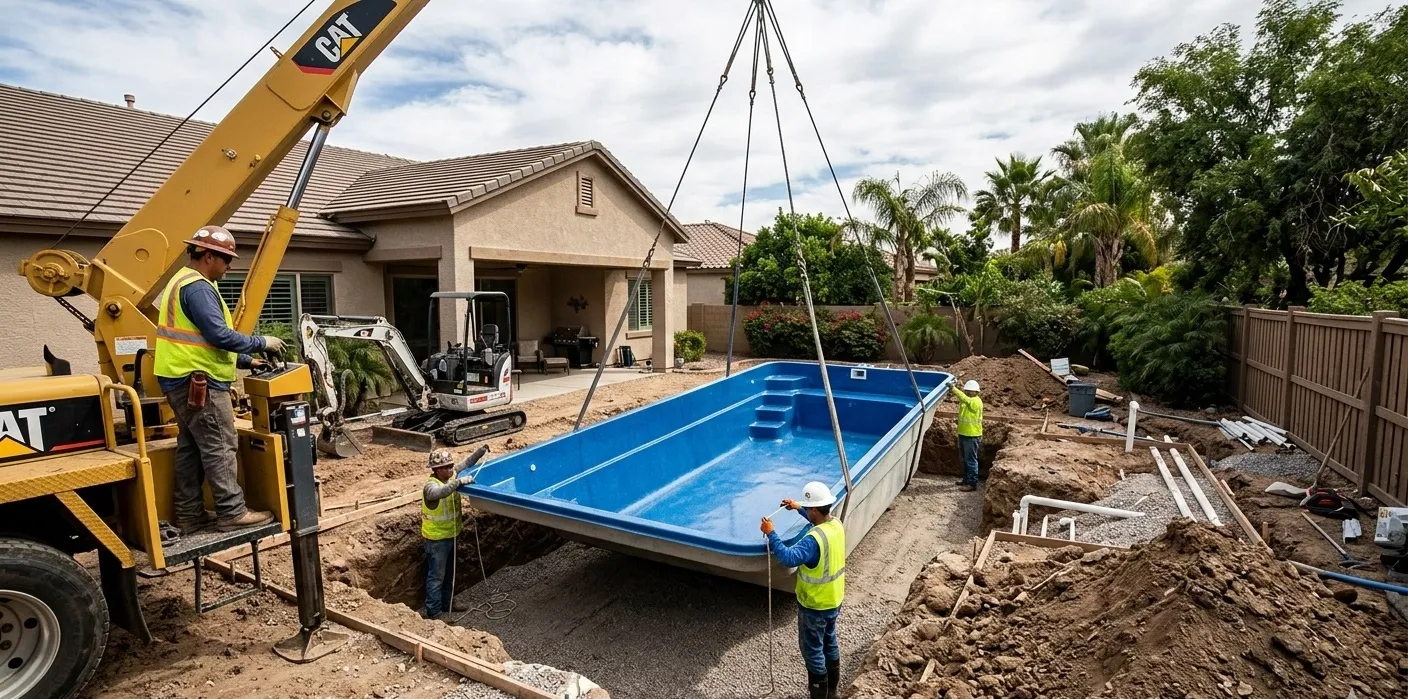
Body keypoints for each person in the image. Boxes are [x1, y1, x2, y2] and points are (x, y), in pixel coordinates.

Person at [155, 226, 289, 534]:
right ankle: (231, 512)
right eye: (226, 260)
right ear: (209, 256)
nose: (229, 267)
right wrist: (261, 343)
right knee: (220, 444)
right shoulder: (199, 287)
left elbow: (203, 340)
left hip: (180, 378)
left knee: (191, 447)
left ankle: (189, 514)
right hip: (198, 382)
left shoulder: (181, 282)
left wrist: (245, 360)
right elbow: (219, 335)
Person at [760, 481, 846, 699]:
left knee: (813, 651)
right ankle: (833, 693)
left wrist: (771, 534)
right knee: (830, 642)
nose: (807, 511)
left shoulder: (812, 540)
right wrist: (798, 507)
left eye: (808, 508)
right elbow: (817, 521)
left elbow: (788, 558)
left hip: (814, 605)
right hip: (833, 600)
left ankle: (818, 695)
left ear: (815, 509)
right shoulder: (835, 525)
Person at [421, 444, 489, 619]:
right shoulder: (431, 486)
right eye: (447, 467)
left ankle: (448, 603)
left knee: (450, 573)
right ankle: (434, 612)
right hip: (436, 540)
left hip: (451, 535)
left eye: (451, 466)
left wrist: (479, 453)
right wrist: (459, 482)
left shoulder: (450, 476)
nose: (451, 469)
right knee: (436, 577)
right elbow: (440, 493)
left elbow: (465, 463)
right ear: (436, 470)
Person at [951, 379, 984, 491]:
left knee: (970, 460)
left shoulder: (976, 401)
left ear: (976, 392)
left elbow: (964, 399)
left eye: (971, 391)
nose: (969, 393)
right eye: (967, 391)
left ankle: (972, 483)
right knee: (965, 459)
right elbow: (963, 399)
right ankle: (966, 479)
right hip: (963, 434)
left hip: (972, 436)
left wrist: (954, 389)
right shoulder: (966, 401)